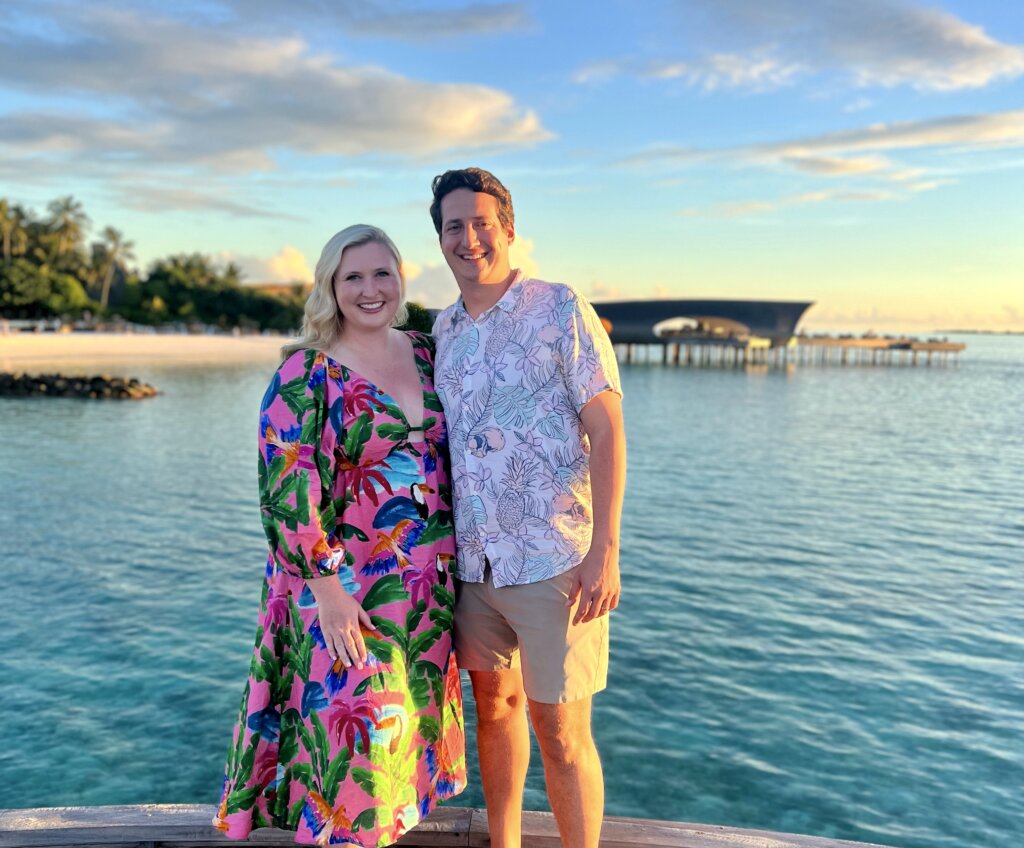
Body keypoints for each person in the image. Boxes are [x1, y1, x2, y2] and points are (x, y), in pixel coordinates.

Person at [214, 225, 466, 847]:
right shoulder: (305, 371)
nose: (370, 289)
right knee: (357, 738)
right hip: (344, 582)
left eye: (383, 273)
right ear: (330, 286)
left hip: (426, 585)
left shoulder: (429, 351)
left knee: (400, 740)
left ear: (401, 280)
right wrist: (326, 587)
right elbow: (284, 484)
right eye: (353, 276)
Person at [429, 169, 626, 848]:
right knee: (495, 708)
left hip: (555, 560)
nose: (469, 237)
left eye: (482, 223)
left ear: (508, 230)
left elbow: (607, 428)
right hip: (475, 565)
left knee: (563, 733)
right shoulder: (443, 329)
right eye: (454, 226)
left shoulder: (558, 307)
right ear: (442, 240)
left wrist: (606, 551)